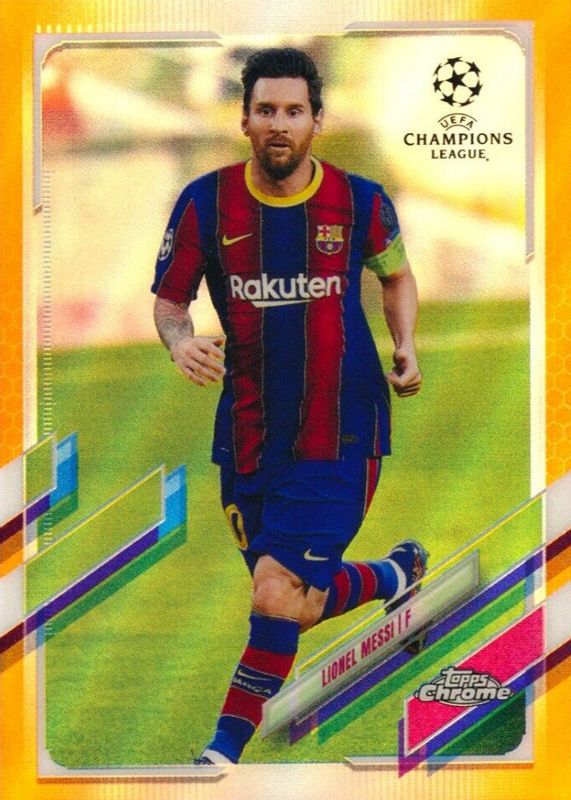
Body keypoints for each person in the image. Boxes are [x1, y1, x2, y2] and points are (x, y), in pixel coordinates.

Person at [152, 47, 427, 766]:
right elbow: (171, 302)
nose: (280, 123)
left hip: (340, 430)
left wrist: (405, 344)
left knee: (275, 594)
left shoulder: (360, 201)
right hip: (247, 436)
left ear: (316, 121)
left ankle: (218, 757)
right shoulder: (205, 204)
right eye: (266, 110)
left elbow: (396, 277)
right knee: (293, 602)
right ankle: (395, 575)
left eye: (294, 111)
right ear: (244, 120)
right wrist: (180, 342)